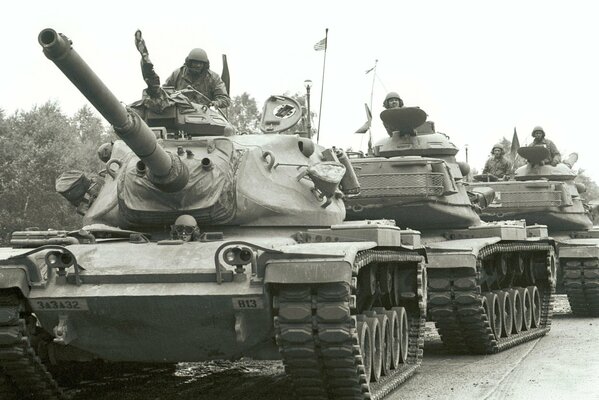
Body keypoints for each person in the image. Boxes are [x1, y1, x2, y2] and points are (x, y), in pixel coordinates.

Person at [164, 48, 231, 108]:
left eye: (201, 63)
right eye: (195, 63)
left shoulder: (213, 78)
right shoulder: (177, 74)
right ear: (189, 62)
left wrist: (217, 102)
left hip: (202, 114)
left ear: (205, 64)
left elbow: (225, 99)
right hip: (179, 111)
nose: (198, 65)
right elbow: (165, 92)